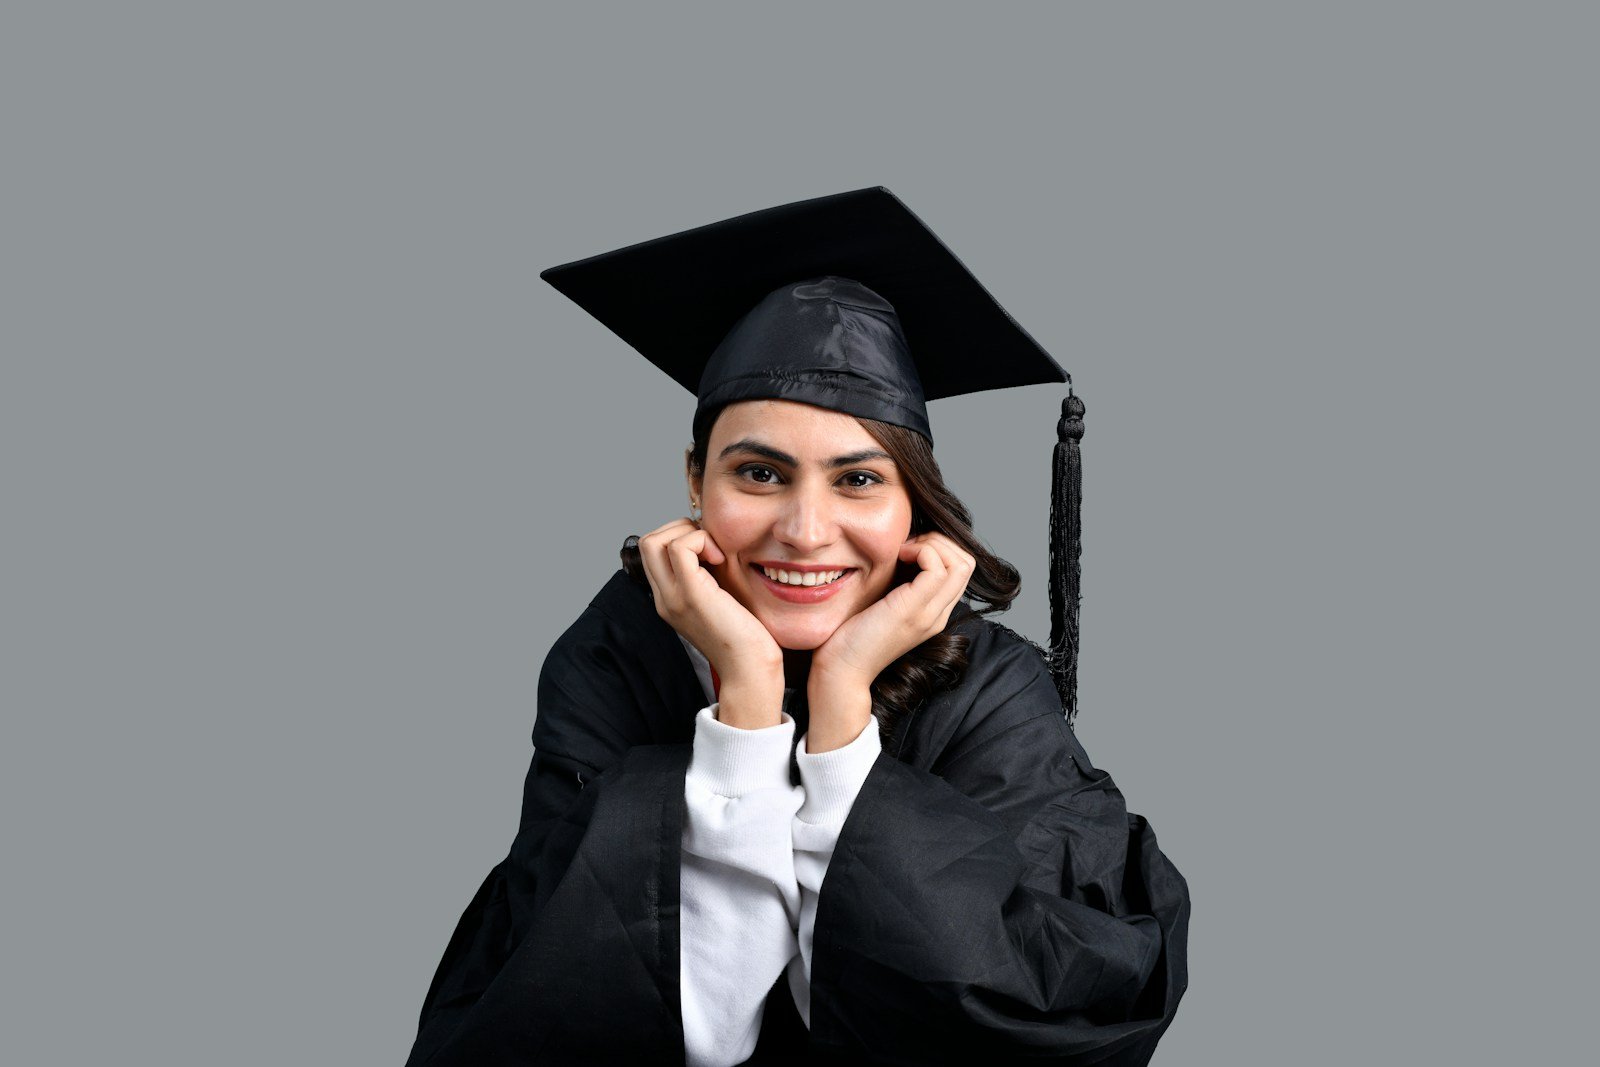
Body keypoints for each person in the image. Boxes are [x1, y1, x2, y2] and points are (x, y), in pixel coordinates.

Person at [403, 188, 1190, 1066]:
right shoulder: (615, 660)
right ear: (696, 482)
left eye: (858, 481)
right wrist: (743, 696)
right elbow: (629, 1024)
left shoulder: (990, 686)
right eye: (761, 473)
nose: (806, 531)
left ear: (912, 505)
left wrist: (841, 699)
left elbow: (983, 1028)